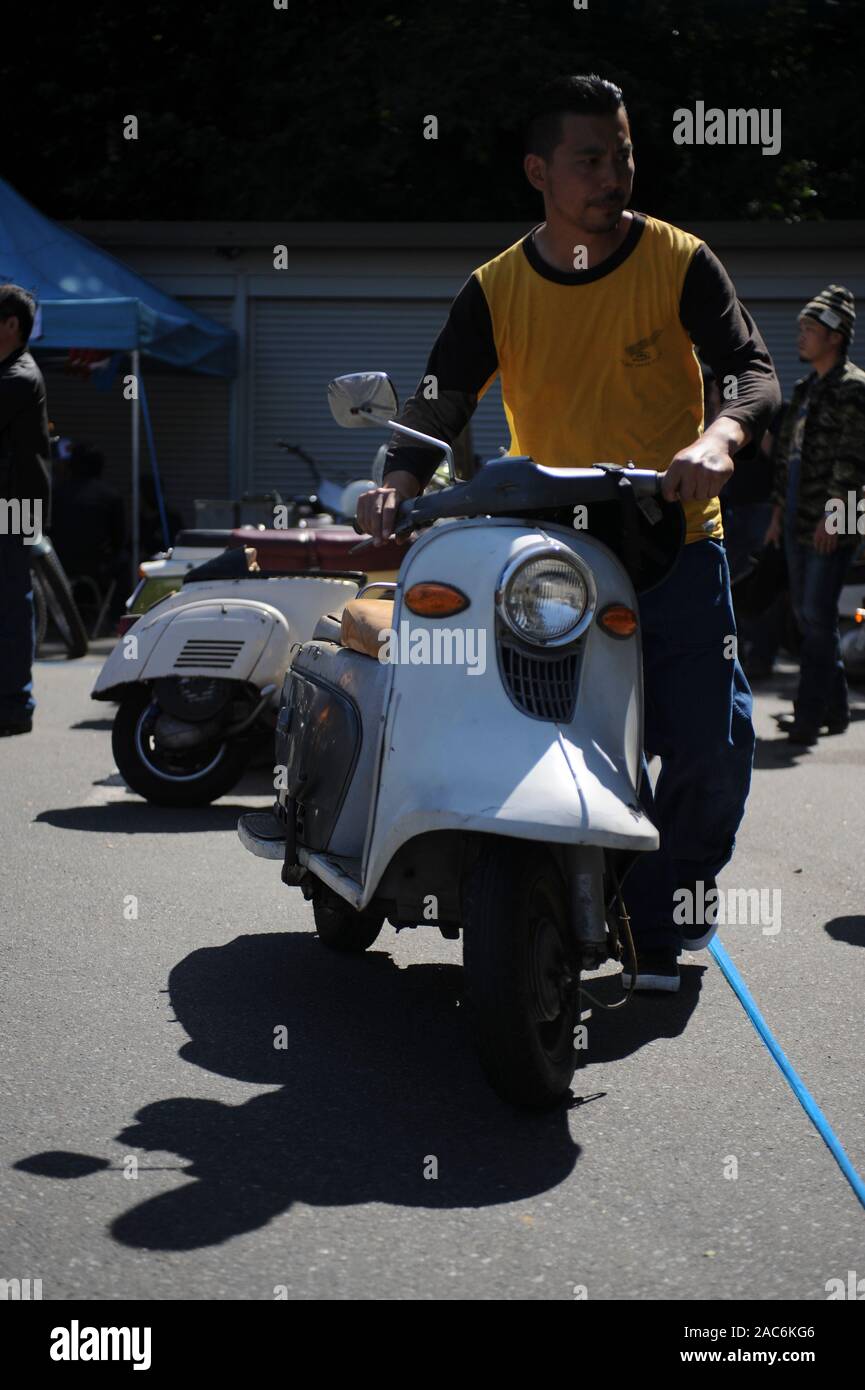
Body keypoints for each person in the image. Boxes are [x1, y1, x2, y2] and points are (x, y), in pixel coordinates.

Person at [357, 74, 781, 992]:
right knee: (530, 735)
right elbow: (440, 398)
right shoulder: (495, 288)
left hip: (671, 545)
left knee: (709, 750)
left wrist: (719, 435)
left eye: (623, 153)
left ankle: (663, 916)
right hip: (548, 557)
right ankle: (522, 895)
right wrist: (395, 482)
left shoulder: (679, 260)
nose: (613, 174)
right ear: (538, 172)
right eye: (590, 159)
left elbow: (750, 367)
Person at [764, 286, 865, 744]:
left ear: (836, 337)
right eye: (801, 328)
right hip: (798, 514)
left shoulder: (855, 388)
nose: (800, 336)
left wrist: (836, 516)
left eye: (810, 329)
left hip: (840, 512)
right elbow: (788, 456)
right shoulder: (805, 389)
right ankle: (837, 708)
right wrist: (778, 512)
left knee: (816, 614)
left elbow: (855, 459)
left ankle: (808, 717)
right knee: (811, 619)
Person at [0, 285, 51, 737]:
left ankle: (16, 703)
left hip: (14, 503)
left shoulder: (19, 375)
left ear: (11, 325)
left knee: (12, 604)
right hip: (12, 499)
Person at [50, 441, 129, 621]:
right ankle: (116, 618)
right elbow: (120, 539)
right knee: (124, 562)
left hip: (57, 564)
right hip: (96, 566)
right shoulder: (110, 496)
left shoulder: (56, 494)